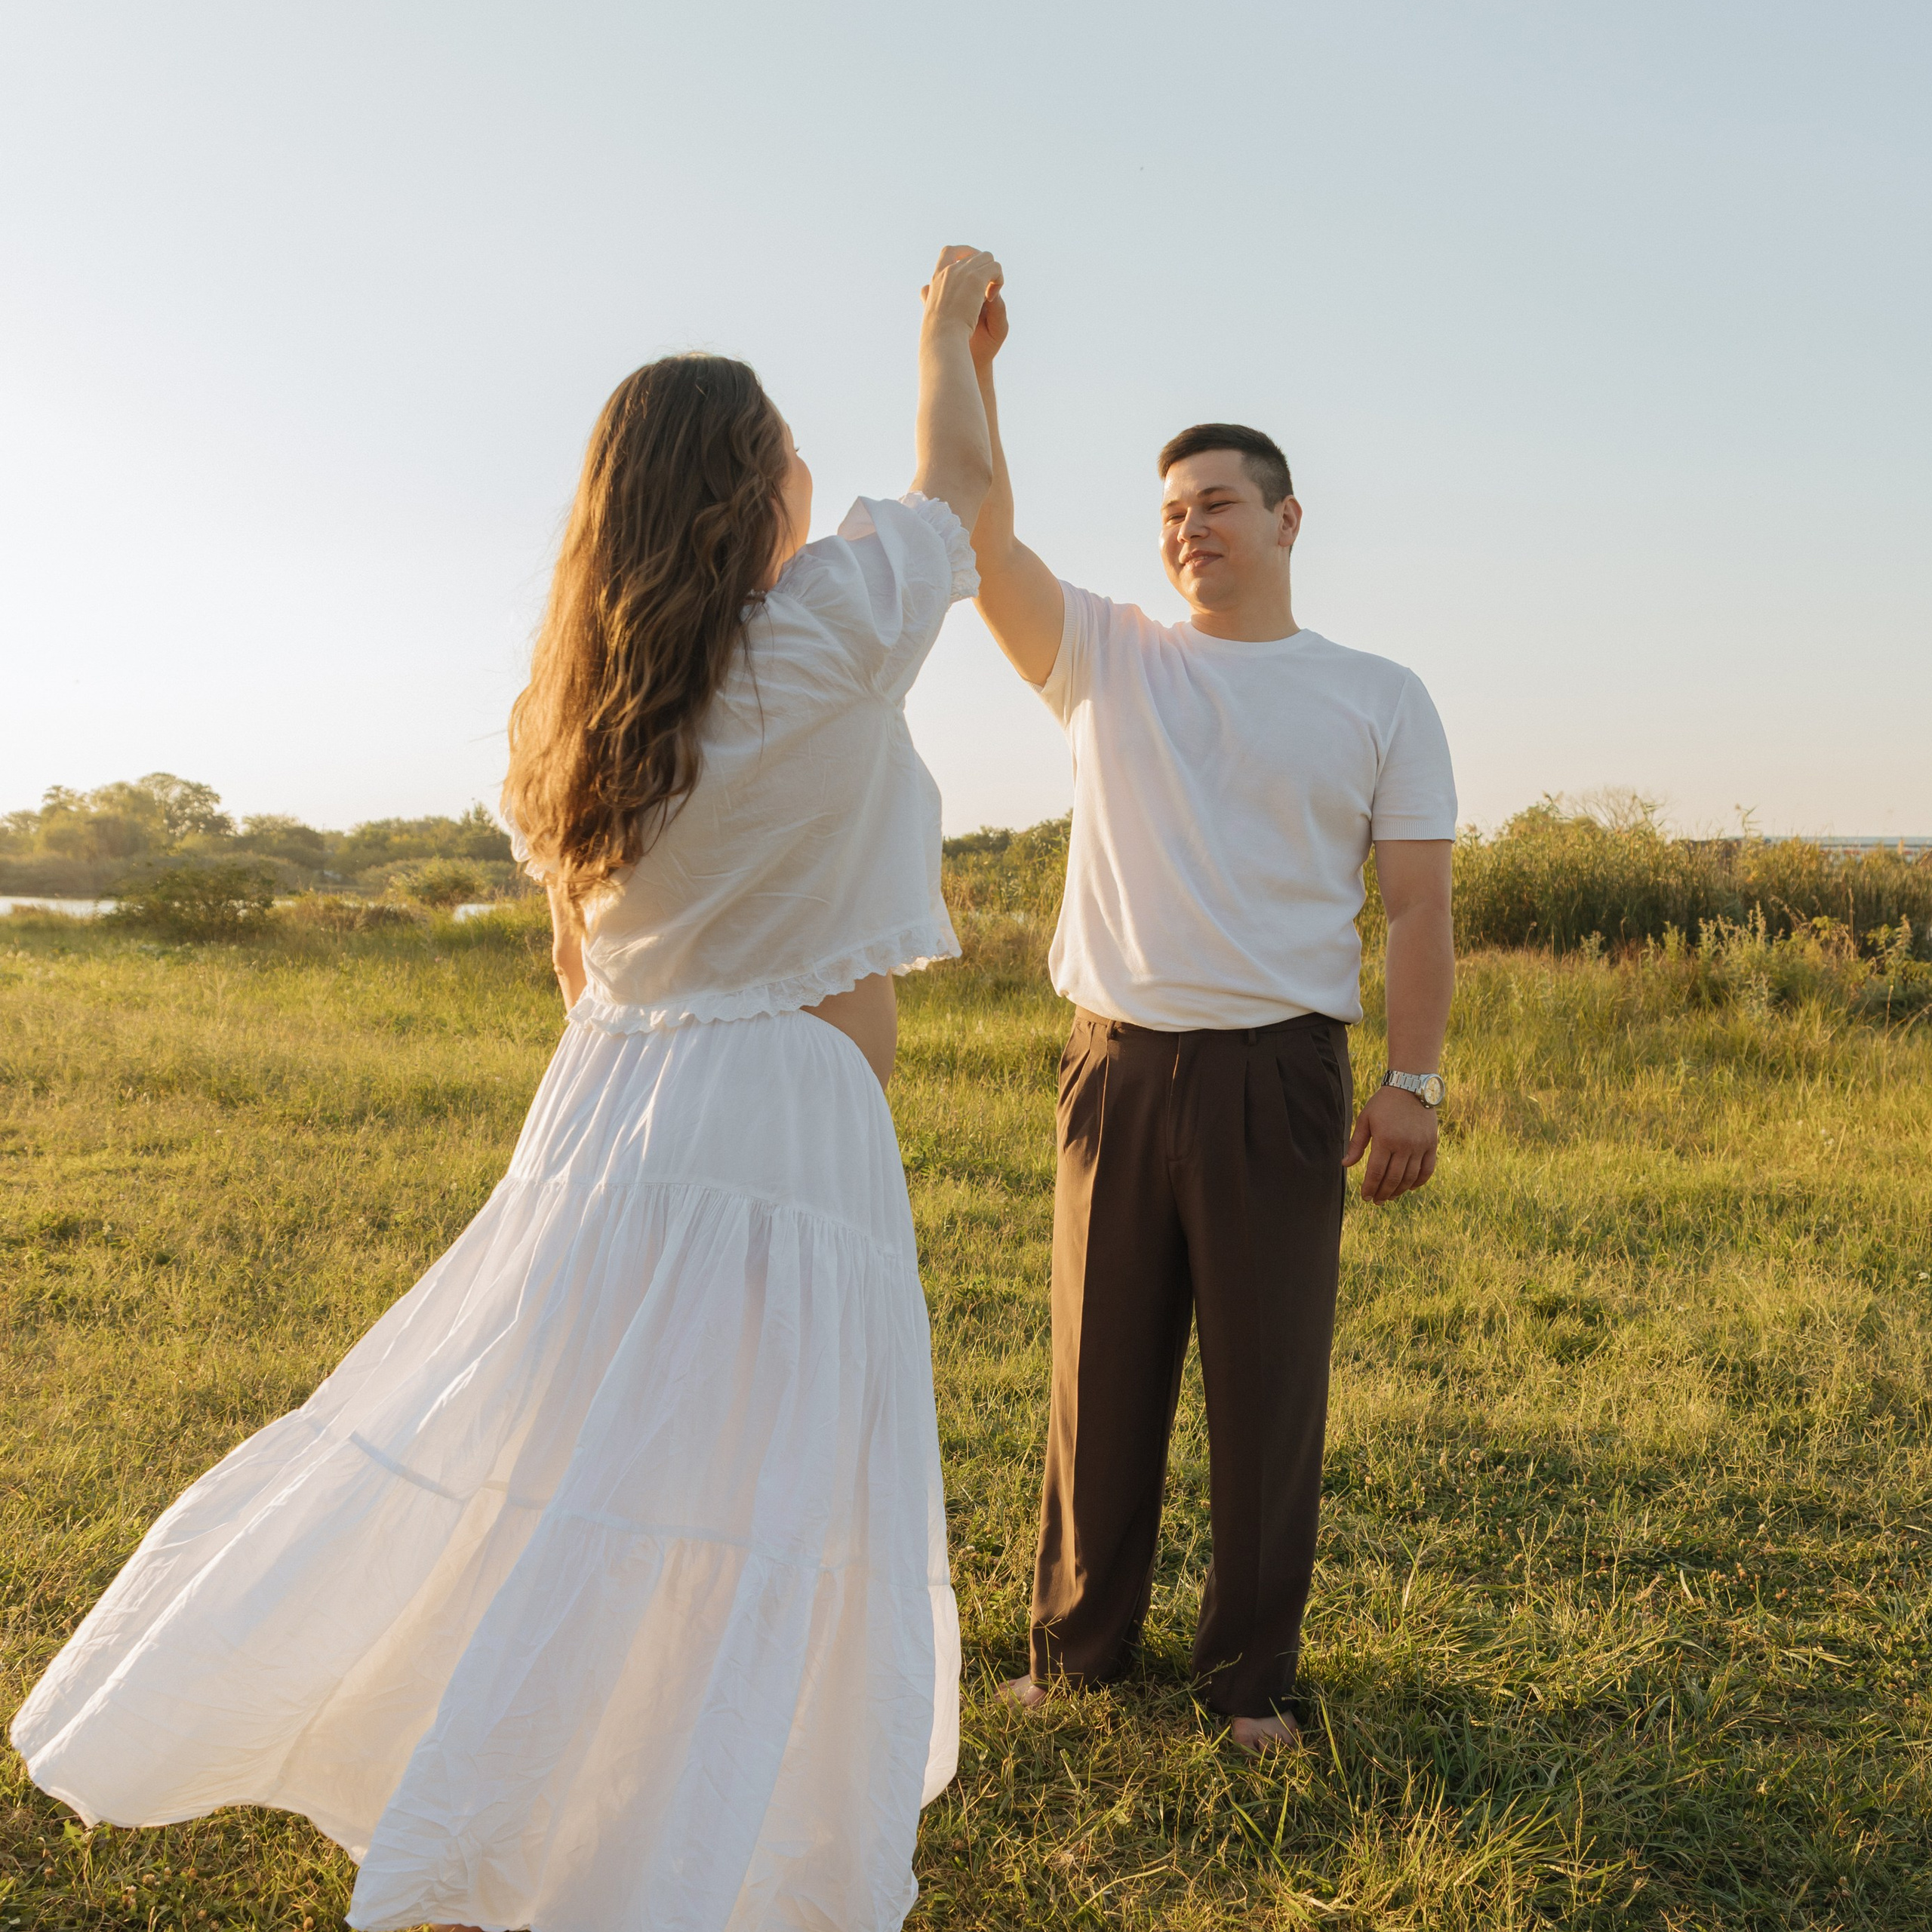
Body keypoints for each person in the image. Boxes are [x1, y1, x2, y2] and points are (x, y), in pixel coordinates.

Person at [12, 246, 1004, 1932]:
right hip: (768, 1139)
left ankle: (515, 1832)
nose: (806, 478)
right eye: (786, 456)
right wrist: (946, 337)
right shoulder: (823, 630)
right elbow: (962, 491)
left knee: (570, 1482)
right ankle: (659, 1848)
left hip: (604, 1118)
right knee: (738, 1505)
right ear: (751, 487)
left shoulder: (574, 713)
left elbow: (576, 965)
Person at [967, 291, 1457, 1749]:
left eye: (1220, 502)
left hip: (1282, 1077)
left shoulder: (1378, 696)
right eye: (1172, 509)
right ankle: (1072, 1659)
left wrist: (1411, 1079)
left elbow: (1420, 912)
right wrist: (975, 373)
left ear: (1290, 520)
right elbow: (984, 543)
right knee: (1095, 1376)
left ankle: (1254, 1689)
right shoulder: (1106, 655)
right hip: (1116, 1067)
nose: (1190, 528)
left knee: (1264, 1392)